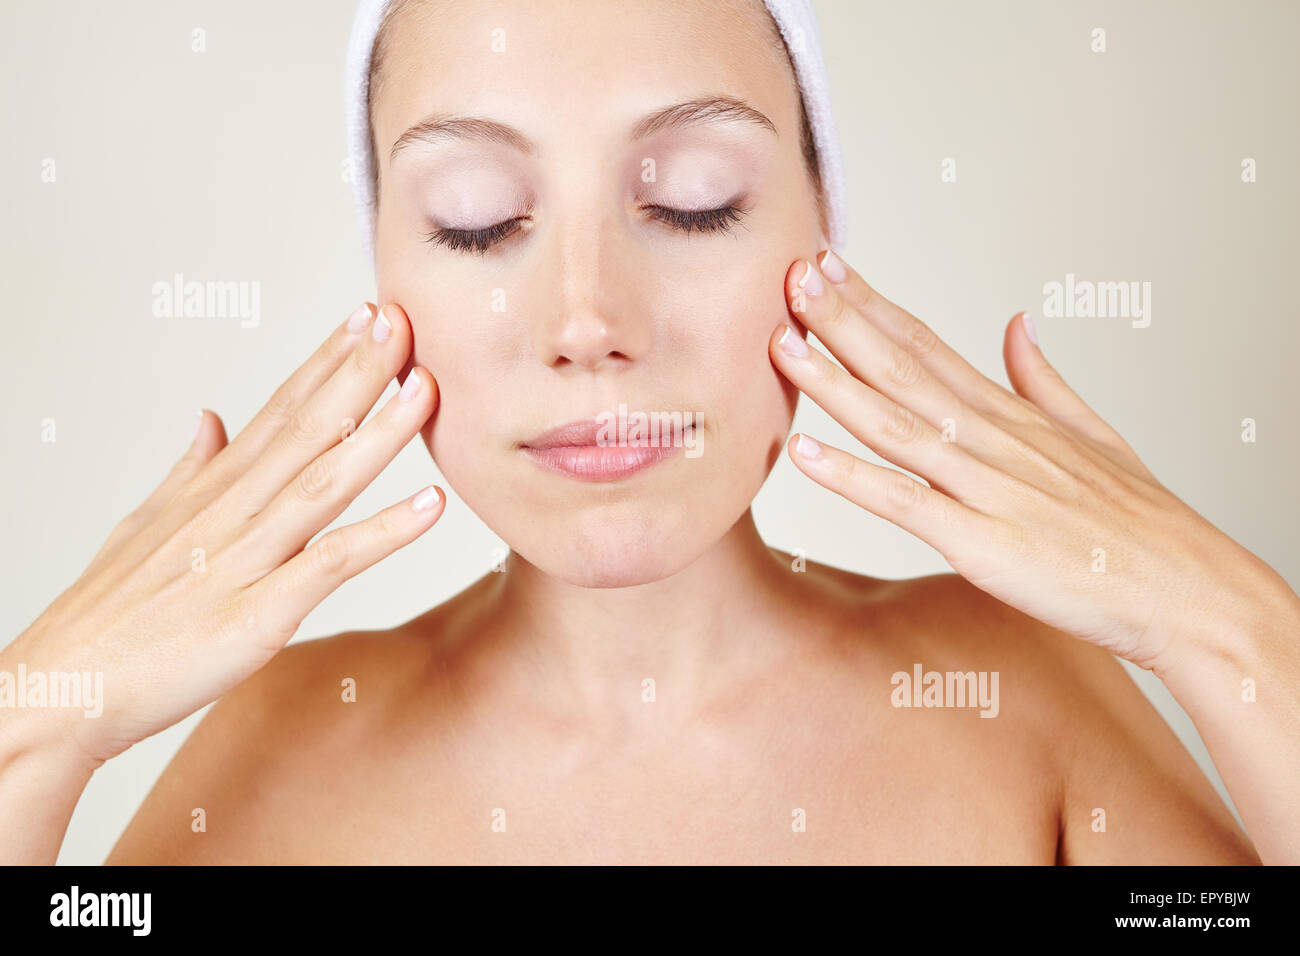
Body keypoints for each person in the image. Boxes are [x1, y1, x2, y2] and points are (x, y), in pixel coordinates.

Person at [2, 0, 1295, 865]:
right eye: (476, 217)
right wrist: (33, 720)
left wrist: (1235, 627)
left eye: (692, 200)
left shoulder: (1022, 697)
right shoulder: (280, 757)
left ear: (818, 233)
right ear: (384, 274)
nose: (587, 319)